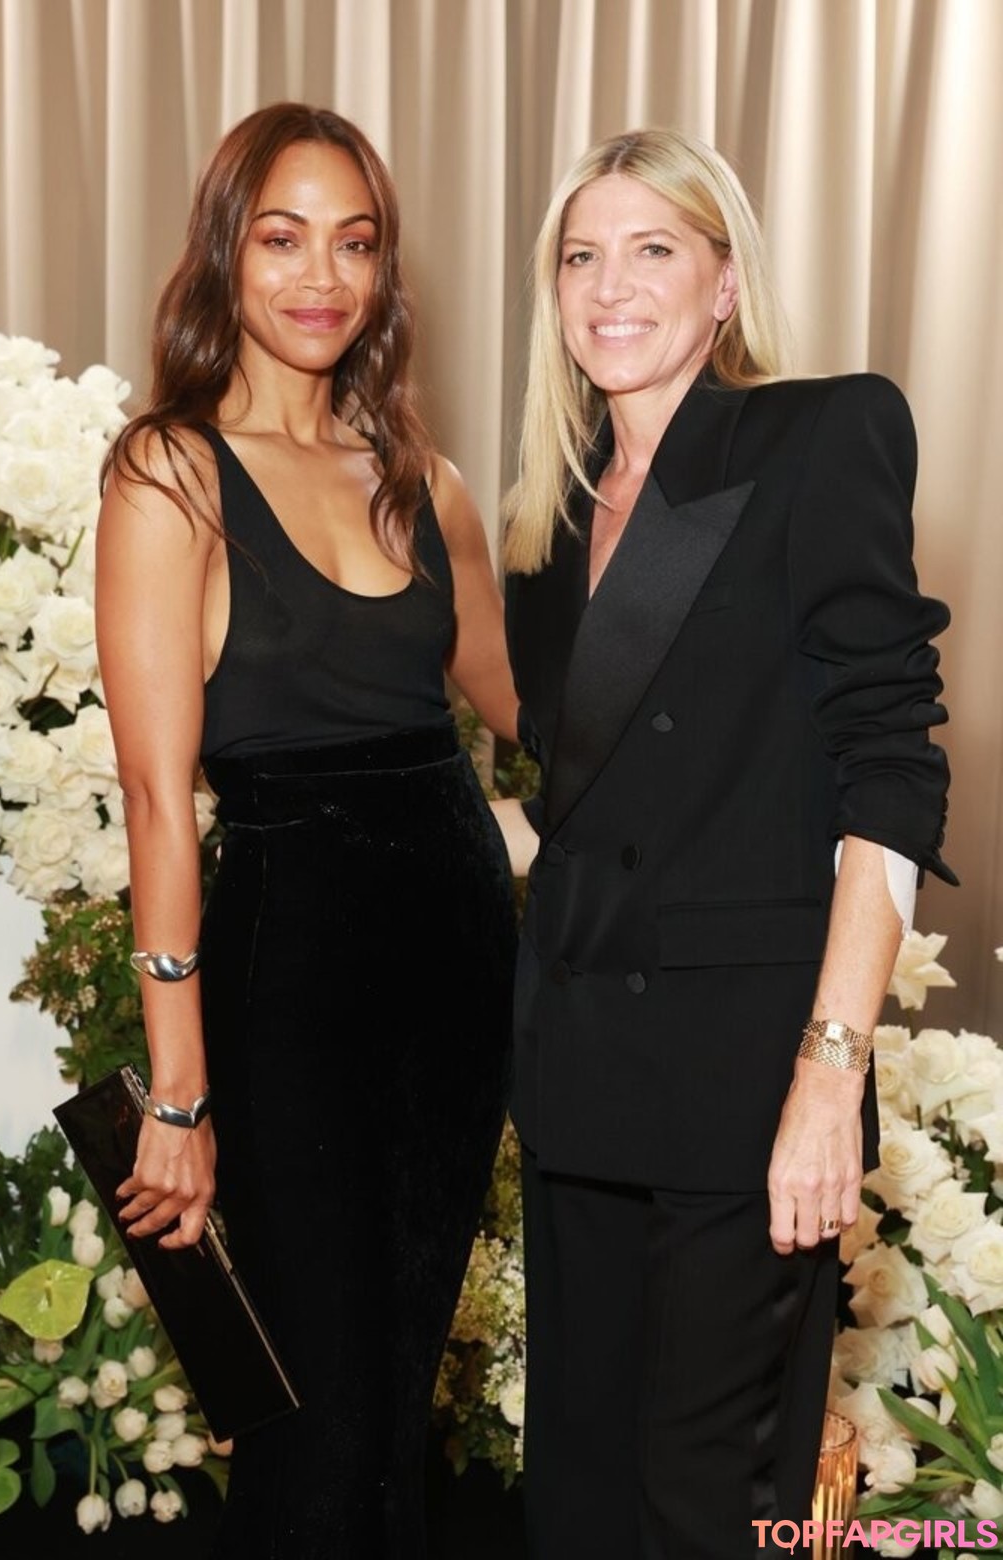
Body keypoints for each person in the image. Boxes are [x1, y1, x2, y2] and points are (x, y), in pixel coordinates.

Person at [491, 127, 955, 1559]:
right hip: (578, 1073)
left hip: (746, 1080)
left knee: (705, 1503)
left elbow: (891, 777)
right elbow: (583, 814)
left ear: (725, 283)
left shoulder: (817, 439)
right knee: (574, 1496)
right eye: (582, 256)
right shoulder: (550, 523)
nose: (611, 287)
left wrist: (831, 1073)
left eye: (654, 251)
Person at [94, 102, 519, 1558]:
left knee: (396, 1403)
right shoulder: (170, 474)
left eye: (356, 241)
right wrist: (178, 1093)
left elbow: (538, 712)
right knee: (311, 1422)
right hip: (291, 988)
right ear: (226, 254)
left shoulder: (425, 485)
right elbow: (158, 797)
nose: (321, 276)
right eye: (283, 238)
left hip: (456, 978)